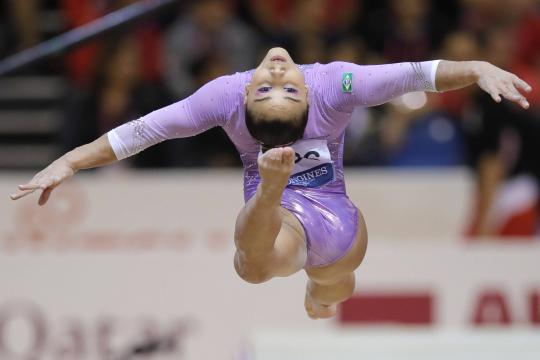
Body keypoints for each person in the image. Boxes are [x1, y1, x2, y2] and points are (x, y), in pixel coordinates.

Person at [11, 47, 532, 319]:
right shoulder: (230, 95)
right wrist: (73, 162)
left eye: (276, 87)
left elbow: (417, 74)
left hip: (335, 218)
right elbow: (145, 131)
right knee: (252, 267)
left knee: (332, 288)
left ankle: (315, 285)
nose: (277, 72)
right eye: (269, 88)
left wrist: (480, 67)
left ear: (311, 101)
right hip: (276, 219)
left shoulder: (336, 84)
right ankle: (269, 189)